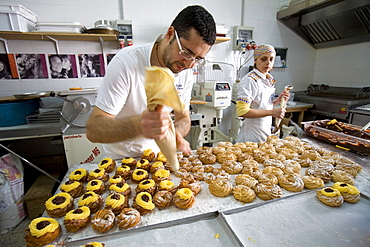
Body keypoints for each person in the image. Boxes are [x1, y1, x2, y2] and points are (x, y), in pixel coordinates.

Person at [86, 5, 216, 160]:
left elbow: (183, 118)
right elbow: (94, 130)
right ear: (170, 34)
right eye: (186, 53)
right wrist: (138, 126)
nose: (189, 64)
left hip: (157, 158)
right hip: (121, 161)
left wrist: (176, 134)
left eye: (198, 59)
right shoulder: (126, 63)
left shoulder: (185, 70)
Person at [235, 44, 290, 143]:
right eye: (263, 59)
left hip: (264, 132)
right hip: (251, 136)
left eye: (271, 59)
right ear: (255, 60)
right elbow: (242, 111)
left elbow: (261, 106)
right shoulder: (250, 80)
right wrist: (272, 112)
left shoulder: (267, 79)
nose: (268, 63)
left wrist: (277, 101)